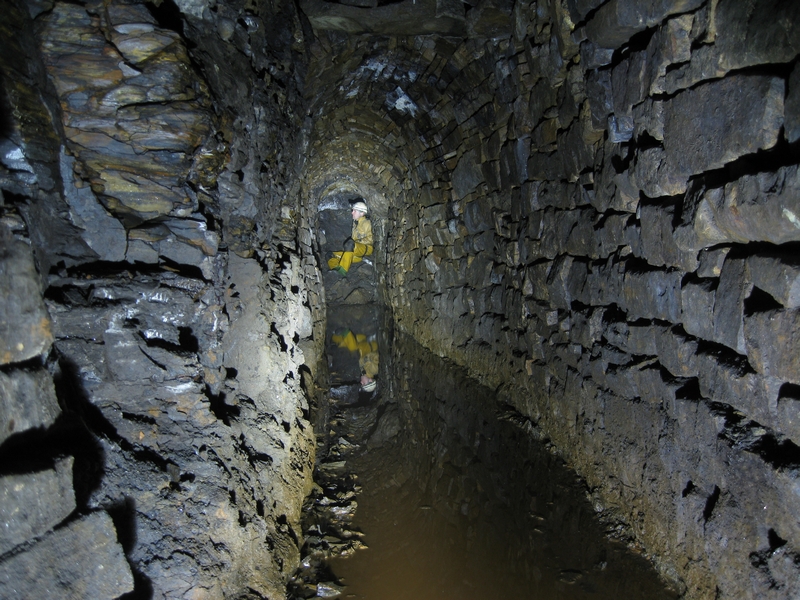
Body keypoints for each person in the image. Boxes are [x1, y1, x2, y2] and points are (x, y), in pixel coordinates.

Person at [327, 200, 372, 275]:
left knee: (350, 243)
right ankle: (336, 270)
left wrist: (357, 242)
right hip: (355, 251)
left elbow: (371, 239)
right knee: (329, 255)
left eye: (354, 211)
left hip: (365, 248)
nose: (352, 212)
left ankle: (342, 271)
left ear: (362, 213)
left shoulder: (367, 223)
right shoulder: (355, 223)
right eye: (352, 210)